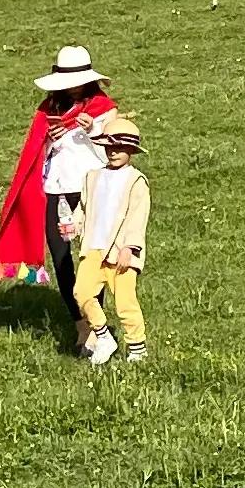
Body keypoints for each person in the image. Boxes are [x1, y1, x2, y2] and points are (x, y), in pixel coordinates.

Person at [0, 46, 115, 332]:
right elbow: (37, 153)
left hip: (88, 188)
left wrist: (92, 129)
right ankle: (80, 322)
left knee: (91, 256)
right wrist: (50, 136)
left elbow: (114, 149)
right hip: (56, 189)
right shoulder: (49, 109)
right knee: (60, 257)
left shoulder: (103, 108)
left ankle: (98, 323)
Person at [71, 116, 151, 368]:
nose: (114, 152)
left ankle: (137, 348)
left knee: (125, 301)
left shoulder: (136, 180)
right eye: (109, 146)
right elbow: (83, 208)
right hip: (93, 247)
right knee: (80, 293)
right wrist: (73, 225)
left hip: (121, 252)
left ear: (131, 151)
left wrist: (131, 247)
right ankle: (103, 336)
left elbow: (138, 217)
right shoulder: (92, 176)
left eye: (121, 148)